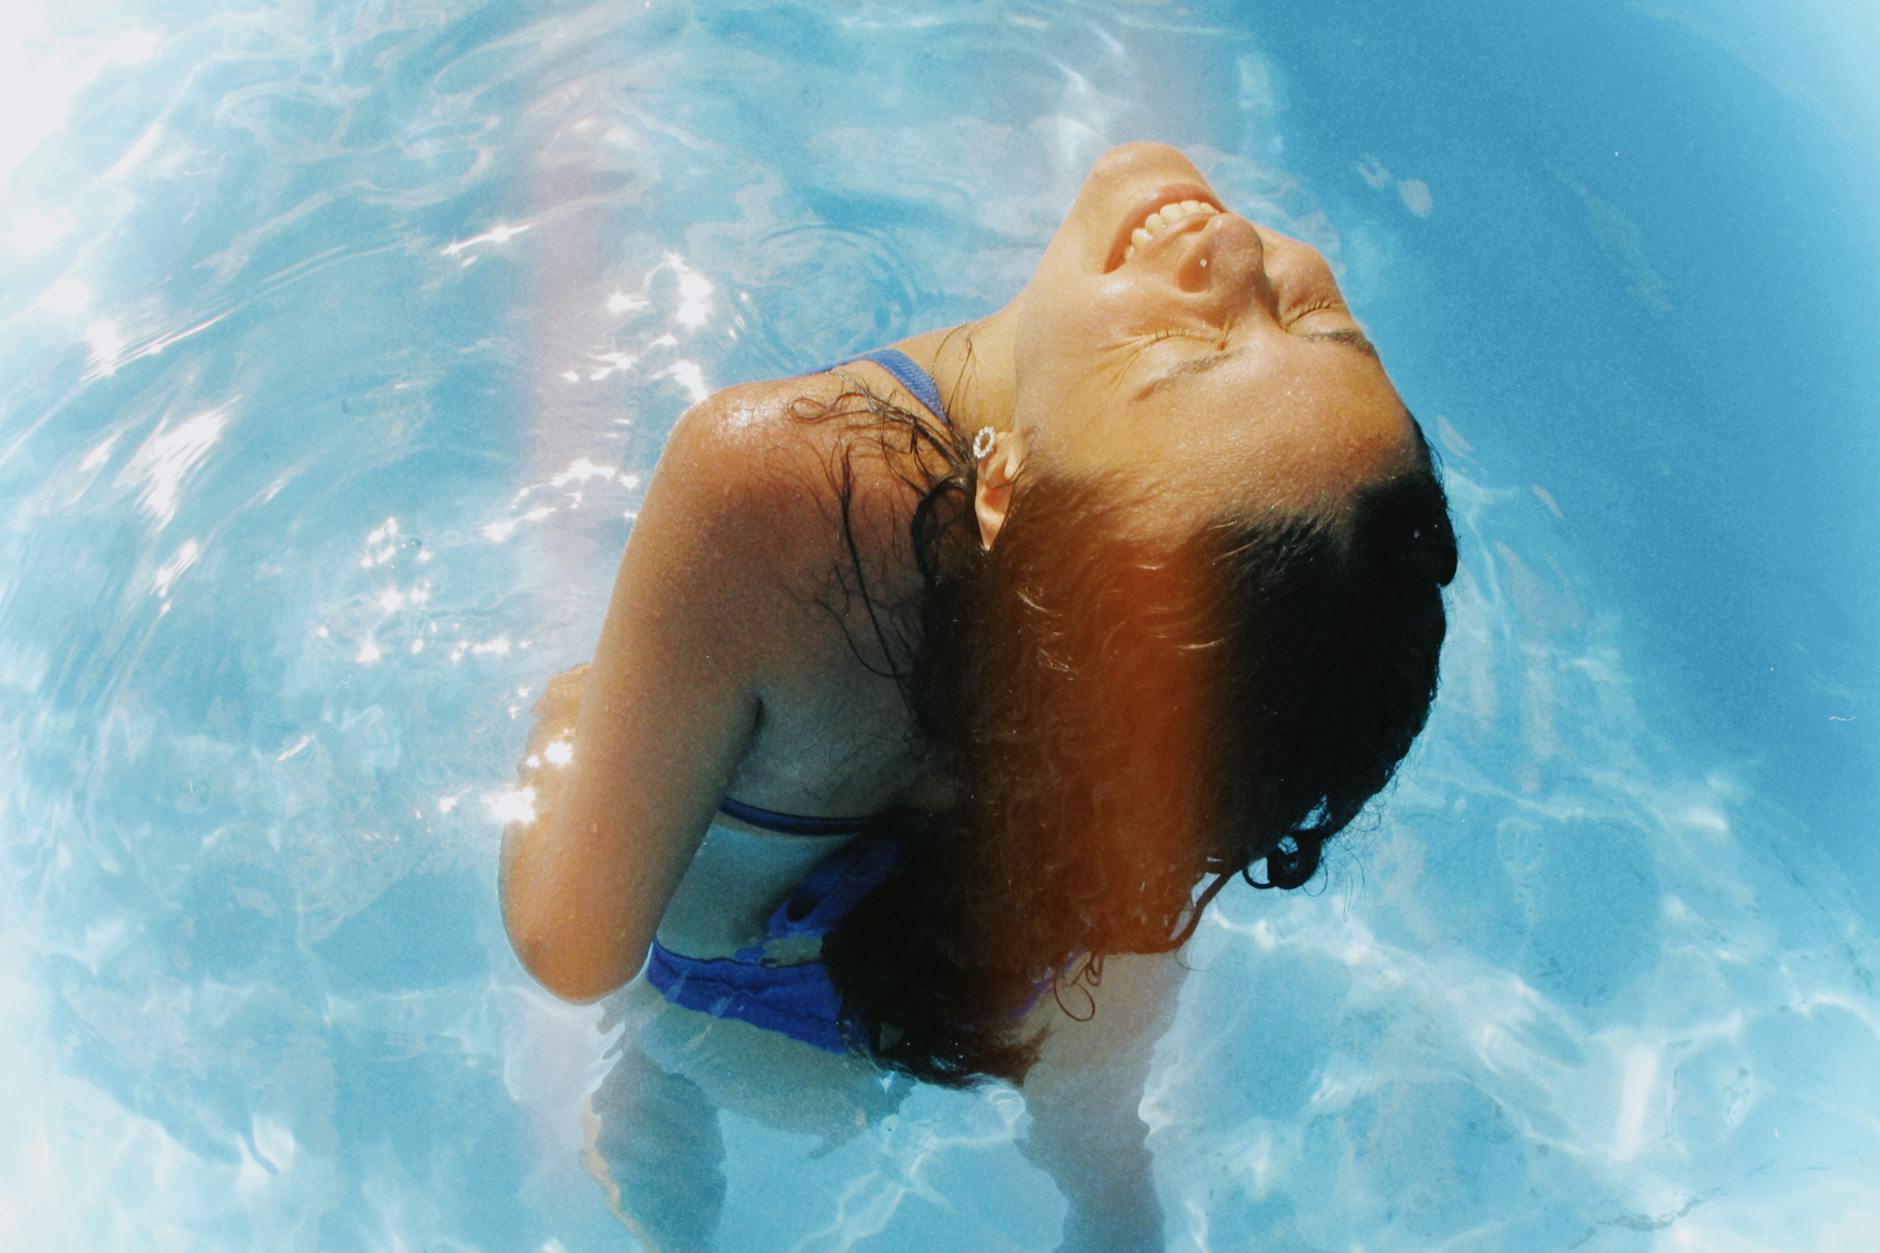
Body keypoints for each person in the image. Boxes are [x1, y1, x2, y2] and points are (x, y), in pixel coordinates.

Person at [499, 141, 1458, 1250]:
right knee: (1100, 1142)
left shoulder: (769, 494)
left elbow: (573, 945)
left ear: (1000, 486)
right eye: (1316, 323)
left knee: (653, 1074)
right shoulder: (1215, 680)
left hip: (739, 1005)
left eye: (1181, 357)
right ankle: (1110, 1201)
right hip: (1042, 992)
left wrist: (564, 721)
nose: (1235, 250)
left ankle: (658, 1143)